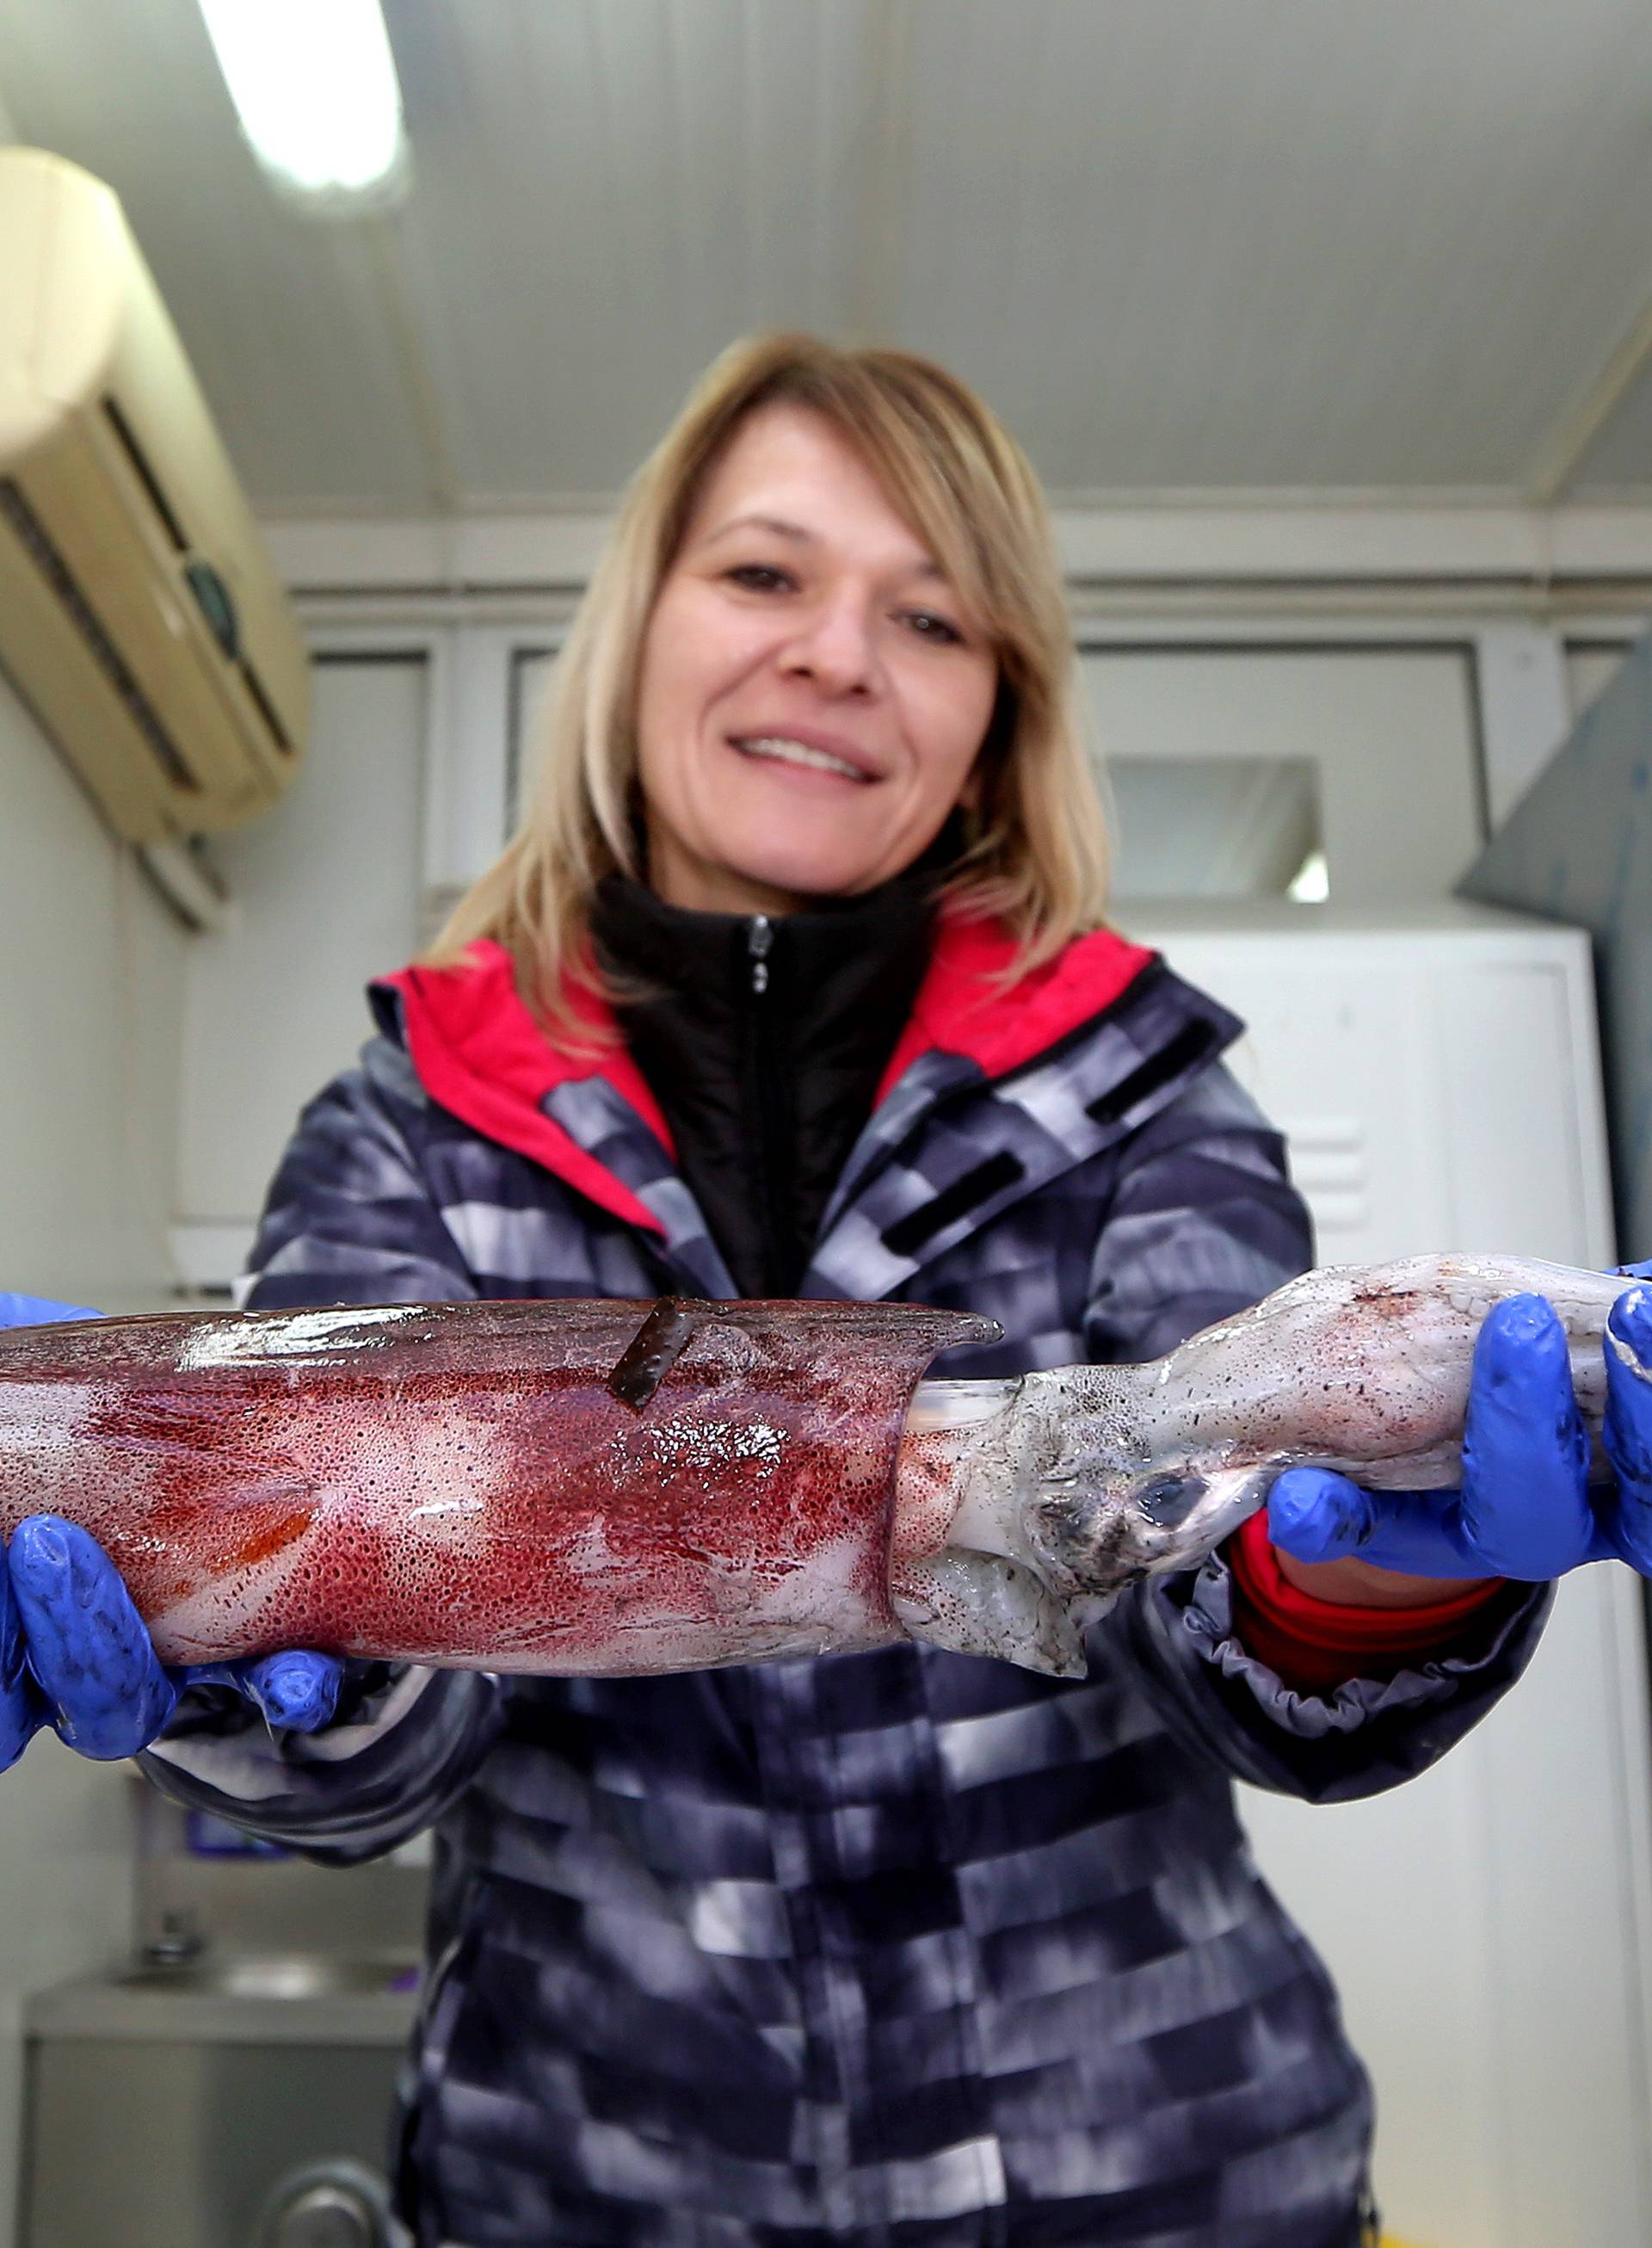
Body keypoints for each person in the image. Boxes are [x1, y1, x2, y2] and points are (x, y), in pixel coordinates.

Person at [4, 334, 1652, 2248]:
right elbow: (377, 1719)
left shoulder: (1147, 1086)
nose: (840, 656)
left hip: (1160, 2177)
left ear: (995, 711)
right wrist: (216, 1621)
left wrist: (1381, 1571)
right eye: (766, 574)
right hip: (588, 2182)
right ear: (638, 629)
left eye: (932, 617)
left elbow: (1237, 1633)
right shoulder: (407, 1116)